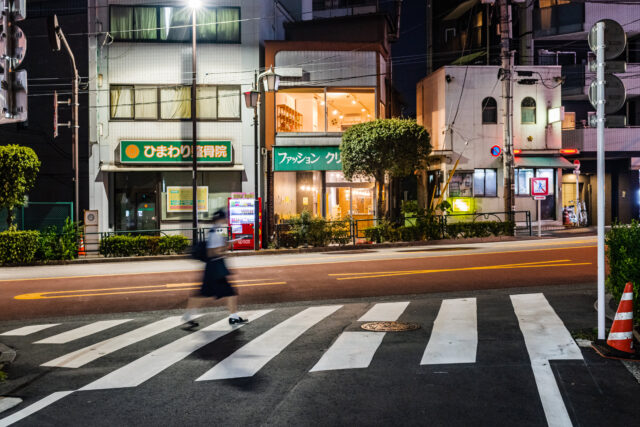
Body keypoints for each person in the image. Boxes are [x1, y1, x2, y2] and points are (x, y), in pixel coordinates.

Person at [182, 209, 247, 328]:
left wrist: (226, 245)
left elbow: (219, 247)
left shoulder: (215, 230)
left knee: (204, 292)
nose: (226, 219)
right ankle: (233, 317)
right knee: (229, 292)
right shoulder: (217, 231)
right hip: (215, 267)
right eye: (224, 217)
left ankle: (188, 315)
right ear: (221, 219)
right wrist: (227, 246)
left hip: (213, 266)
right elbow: (213, 251)